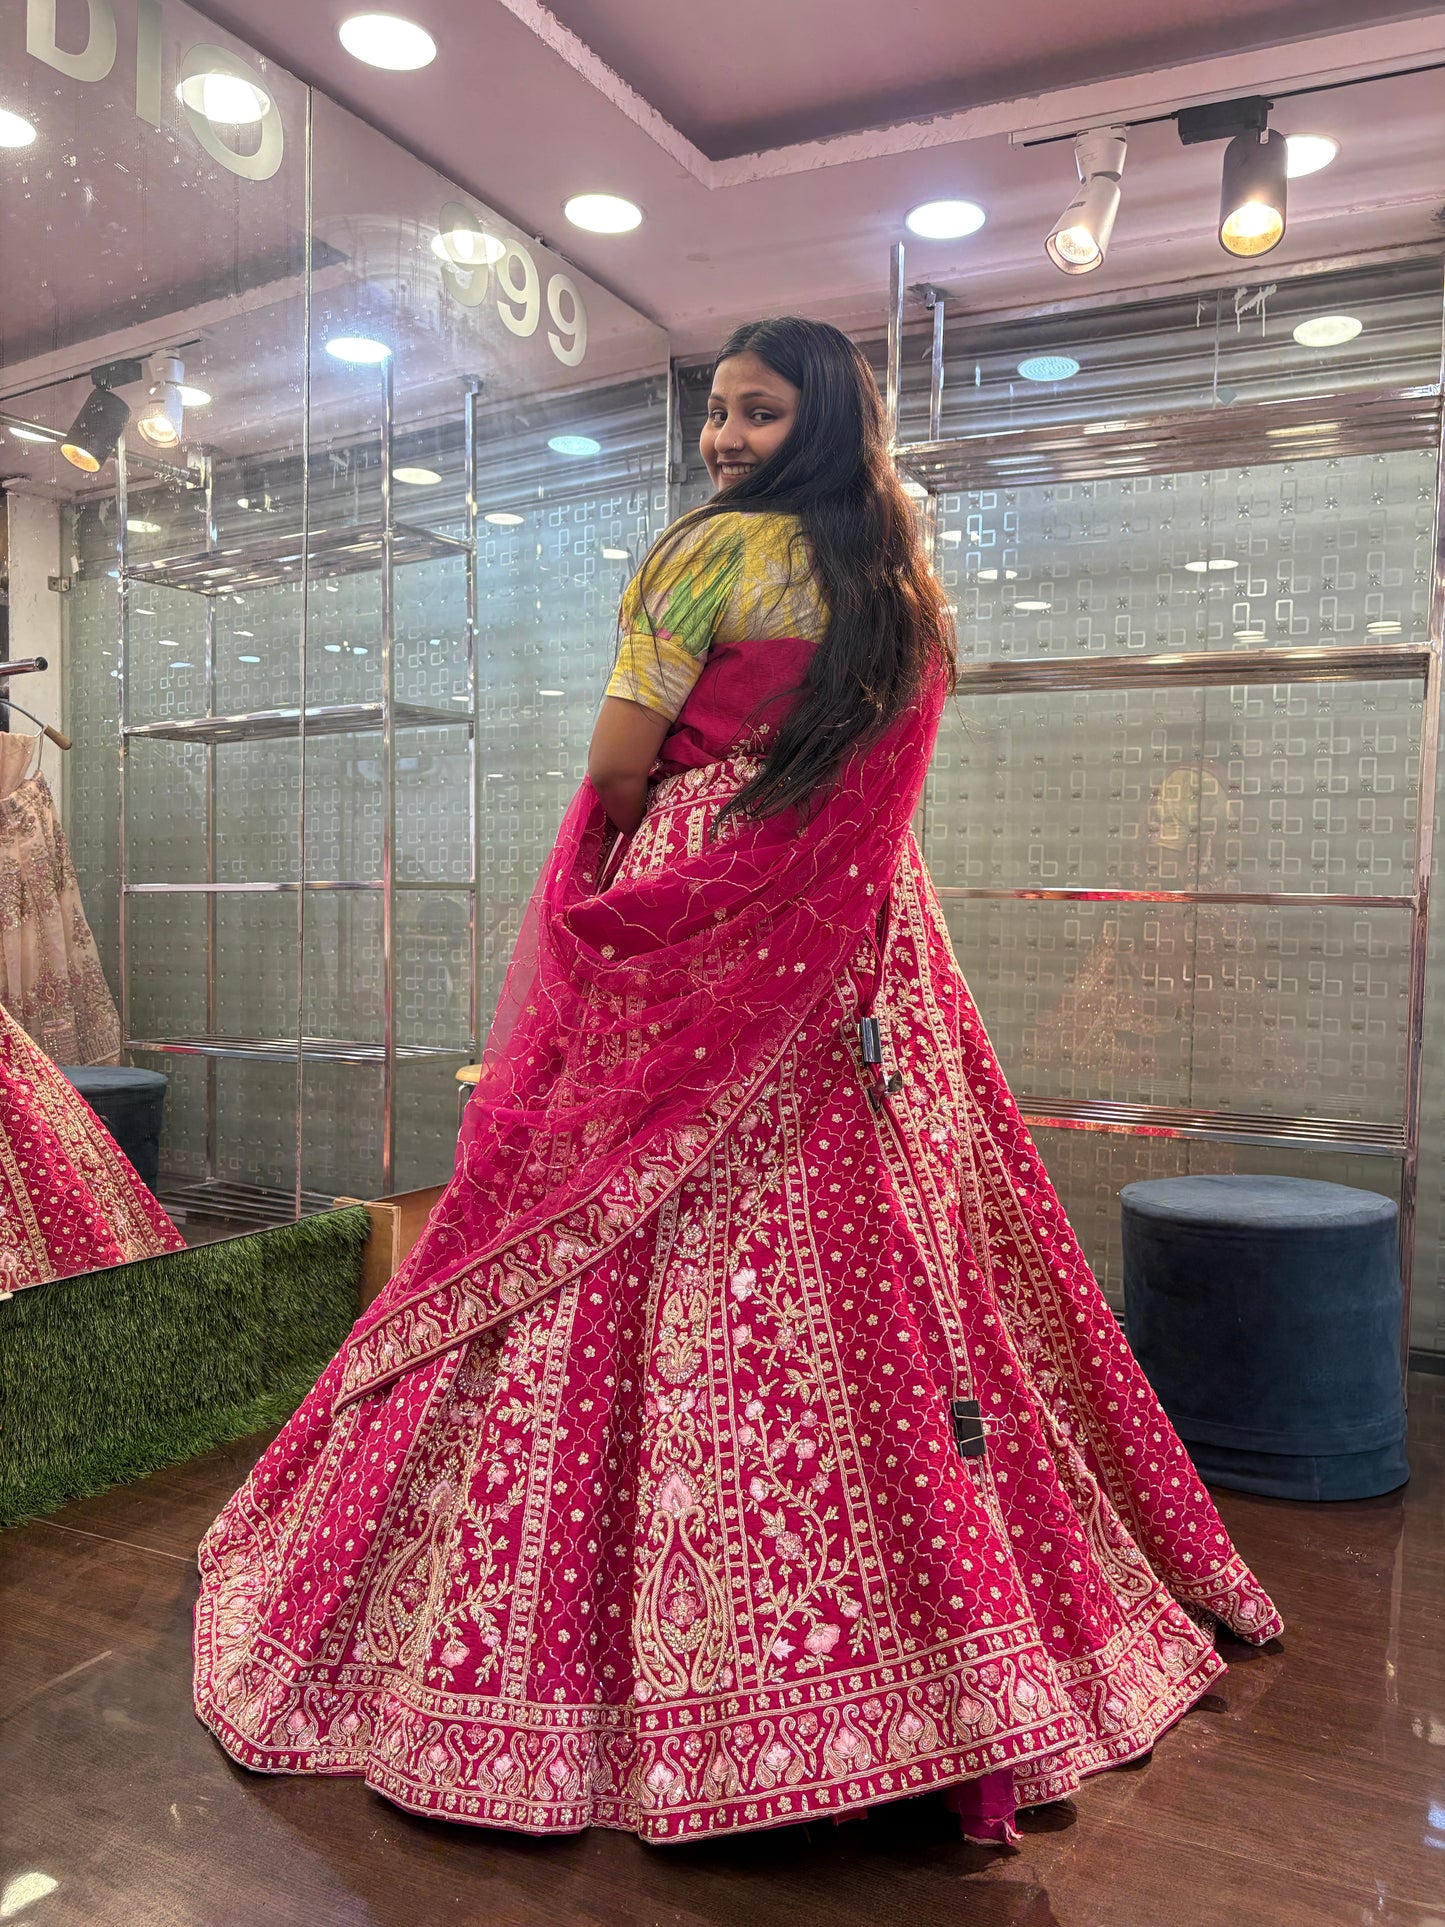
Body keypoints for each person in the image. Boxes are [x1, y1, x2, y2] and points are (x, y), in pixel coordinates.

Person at [194, 319, 1280, 1847]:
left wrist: (631, 842)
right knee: (873, 1244)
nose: (722, 438)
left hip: (706, 897)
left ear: (817, 417)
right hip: (858, 930)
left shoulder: (701, 561)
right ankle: (937, 1658)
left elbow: (624, 755)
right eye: (716, 412)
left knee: (619, 1209)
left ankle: (615, 1670)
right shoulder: (900, 588)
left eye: (755, 413)